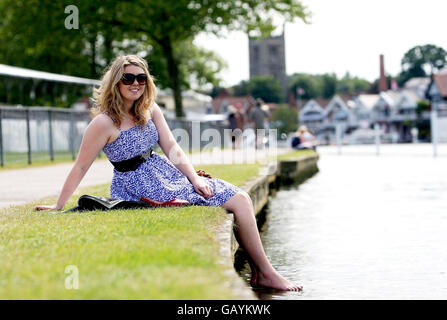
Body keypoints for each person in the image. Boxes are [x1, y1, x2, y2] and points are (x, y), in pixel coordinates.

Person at [34, 55, 301, 291]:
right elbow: (81, 166)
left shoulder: (149, 109)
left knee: (241, 198)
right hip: (136, 183)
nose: (136, 83)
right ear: (116, 82)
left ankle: (263, 272)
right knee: (236, 200)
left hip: (164, 173)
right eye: (128, 78)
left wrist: (194, 178)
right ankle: (265, 274)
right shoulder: (103, 123)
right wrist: (59, 204)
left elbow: (172, 147)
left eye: (141, 78)